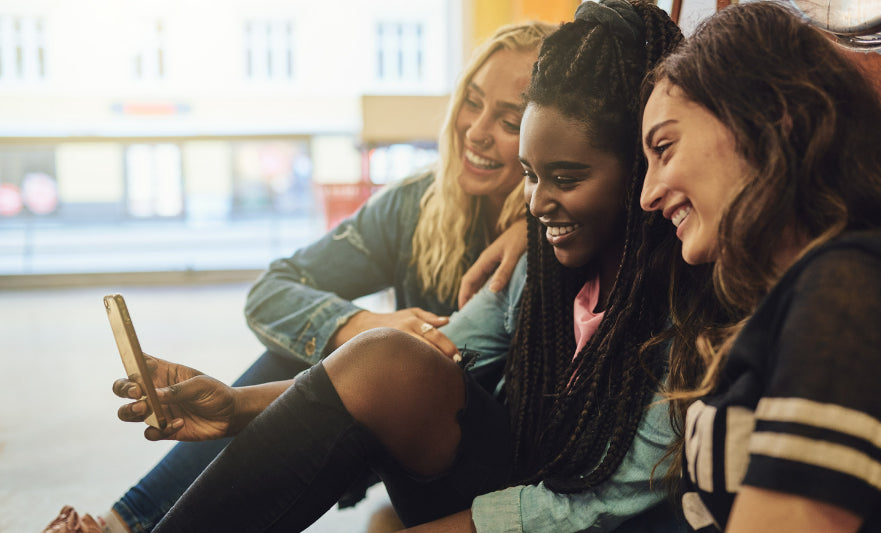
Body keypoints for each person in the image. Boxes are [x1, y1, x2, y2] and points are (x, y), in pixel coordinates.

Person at [103, 1, 692, 531]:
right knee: (381, 352)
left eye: (562, 176)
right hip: (492, 466)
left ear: (643, 166)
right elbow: (419, 355)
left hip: (560, 512)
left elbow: (594, 510)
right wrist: (236, 407)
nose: (535, 201)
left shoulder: (679, 306)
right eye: (532, 175)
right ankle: (133, 523)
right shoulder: (522, 255)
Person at [44, 21, 556, 533]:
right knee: (319, 338)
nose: (477, 130)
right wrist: (353, 325)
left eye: (511, 119)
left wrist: (533, 226)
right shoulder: (416, 204)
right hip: (399, 446)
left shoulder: (557, 229)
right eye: (471, 101)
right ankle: (124, 523)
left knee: (377, 358)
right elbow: (273, 289)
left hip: (489, 465)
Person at [638, 3, 881, 532]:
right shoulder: (811, 292)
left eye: (664, 148)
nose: (648, 194)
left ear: (766, 114)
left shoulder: (854, 288)